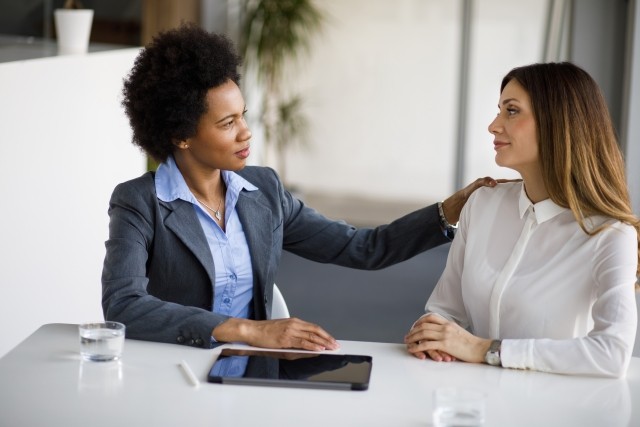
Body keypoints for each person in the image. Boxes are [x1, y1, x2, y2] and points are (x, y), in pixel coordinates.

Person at [101, 24, 496, 352]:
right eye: (227, 124)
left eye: (244, 116)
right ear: (180, 135)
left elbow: (363, 248)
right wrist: (250, 330)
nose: (246, 132)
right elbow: (125, 306)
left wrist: (448, 210)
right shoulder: (139, 202)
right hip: (174, 369)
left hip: (248, 369)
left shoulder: (264, 191)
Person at [404, 62, 640, 378]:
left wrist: (483, 349)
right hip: (476, 402)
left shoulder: (610, 235)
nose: (493, 125)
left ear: (557, 123)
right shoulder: (482, 204)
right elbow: (445, 311)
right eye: (499, 110)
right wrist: (430, 332)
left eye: (511, 111)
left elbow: (612, 353)